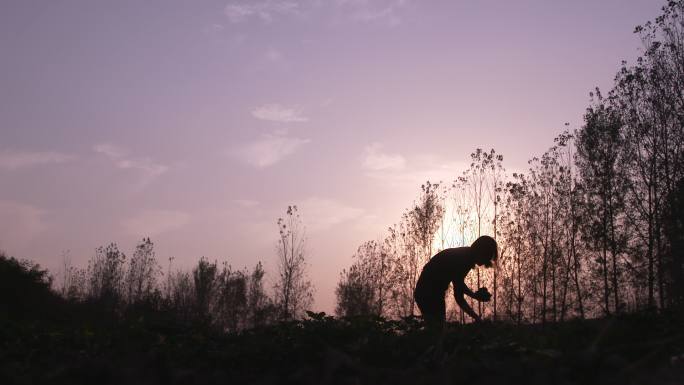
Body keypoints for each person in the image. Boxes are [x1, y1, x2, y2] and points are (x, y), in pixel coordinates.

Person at [414, 235, 498, 328]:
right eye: (488, 256)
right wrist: (474, 296)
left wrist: (476, 316)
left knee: (436, 331)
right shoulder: (463, 259)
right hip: (428, 293)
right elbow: (459, 291)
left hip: (430, 293)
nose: (487, 260)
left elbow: (459, 293)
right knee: (436, 331)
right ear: (481, 251)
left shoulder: (465, 256)